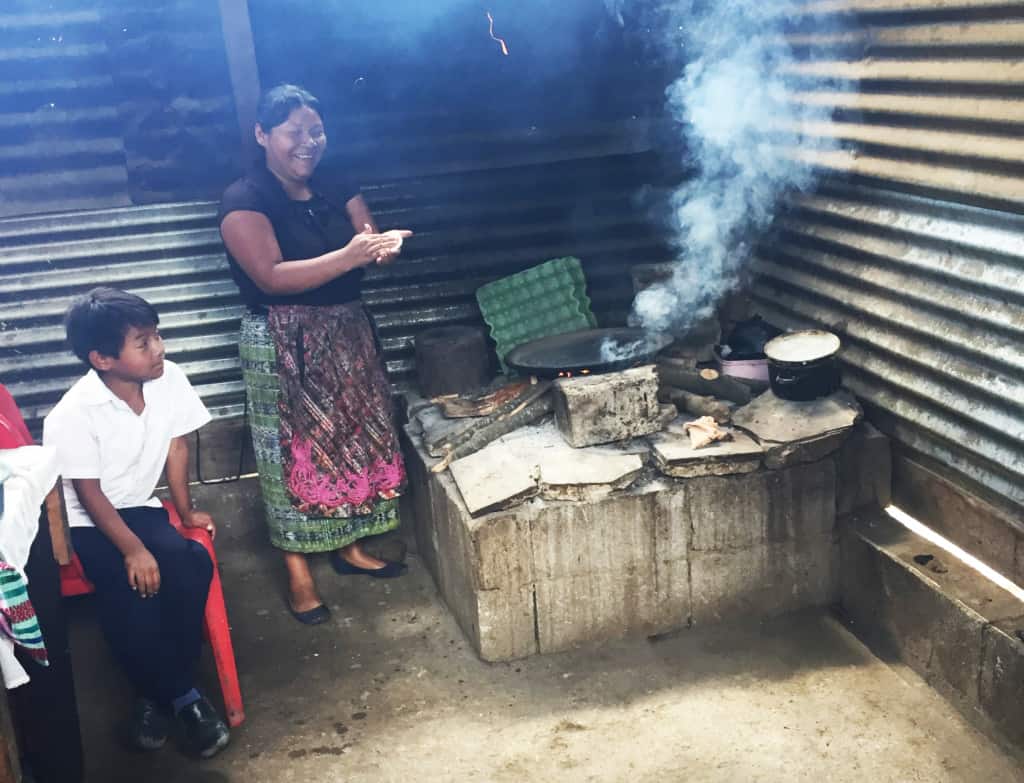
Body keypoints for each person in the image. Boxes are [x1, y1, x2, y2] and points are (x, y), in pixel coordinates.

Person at [219, 84, 414, 625]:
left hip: (347, 332)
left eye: (316, 131)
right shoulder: (245, 199)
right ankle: (298, 572)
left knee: (353, 443)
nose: (308, 143)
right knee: (291, 454)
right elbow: (271, 277)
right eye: (293, 132)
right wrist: (351, 256)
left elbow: (365, 243)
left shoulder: (337, 182)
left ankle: (350, 548)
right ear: (262, 135)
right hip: (281, 339)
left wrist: (381, 251)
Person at [42, 287, 230, 758]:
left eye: (157, 336)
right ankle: (184, 698)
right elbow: (88, 493)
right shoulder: (72, 414)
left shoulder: (169, 380)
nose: (159, 349)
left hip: (142, 505)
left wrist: (185, 510)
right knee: (132, 591)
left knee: (189, 563)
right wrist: (132, 549)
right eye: (143, 342)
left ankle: (156, 695)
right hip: (93, 519)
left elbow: (177, 446)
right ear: (102, 358)